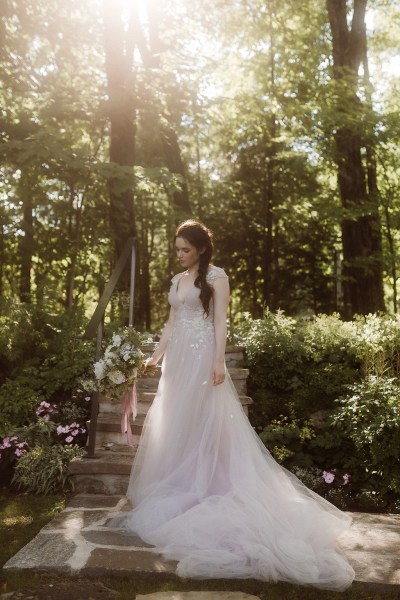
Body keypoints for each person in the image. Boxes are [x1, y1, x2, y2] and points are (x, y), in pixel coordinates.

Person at [110, 220, 355, 591]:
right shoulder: (177, 281)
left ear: (202, 250)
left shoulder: (217, 277)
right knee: (178, 420)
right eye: (176, 250)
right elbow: (171, 322)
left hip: (203, 354)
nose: (179, 255)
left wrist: (218, 361)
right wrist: (156, 357)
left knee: (209, 420)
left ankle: (213, 483)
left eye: (185, 250)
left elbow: (221, 320)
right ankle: (183, 480)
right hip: (177, 361)